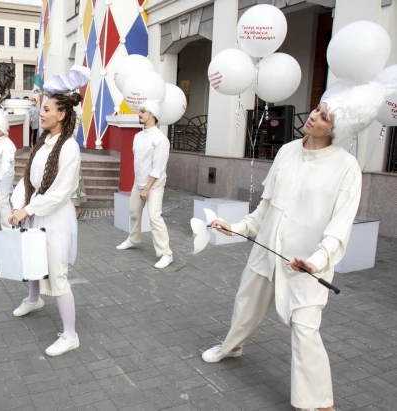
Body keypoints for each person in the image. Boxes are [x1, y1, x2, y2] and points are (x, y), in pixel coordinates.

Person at [200, 82, 392, 411]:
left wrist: (317, 261)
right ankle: (231, 347)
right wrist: (235, 227)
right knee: (246, 304)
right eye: (317, 109)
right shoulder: (287, 151)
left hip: (306, 263)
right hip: (267, 252)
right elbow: (266, 208)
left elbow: (340, 224)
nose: (314, 116)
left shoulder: (346, 167)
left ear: (339, 127)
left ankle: (317, 403)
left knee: (305, 329)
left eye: (325, 116)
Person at [9, 92, 83, 357]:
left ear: (61, 114)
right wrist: (18, 205)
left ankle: (70, 335)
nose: (41, 113)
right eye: (42, 108)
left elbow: (60, 192)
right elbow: (28, 181)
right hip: (35, 211)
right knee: (33, 261)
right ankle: (34, 299)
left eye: (47, 109)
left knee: (56, 271)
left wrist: (27, 208)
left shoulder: (69, 147)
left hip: (55, 216)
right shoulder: (43, 142)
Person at [115, 101, 173, 269]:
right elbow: (138, 161)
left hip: (154, 186)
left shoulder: (161, 139)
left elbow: (158, 168)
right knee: (134, 212)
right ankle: (133, 239)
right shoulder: (138, 136)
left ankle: (166, 254)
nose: (139, 114)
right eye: (139, 111)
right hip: (138, 183)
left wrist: (147, 188)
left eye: (142, 112)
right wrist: (139, 184)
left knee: (155, 217)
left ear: (152, 115)